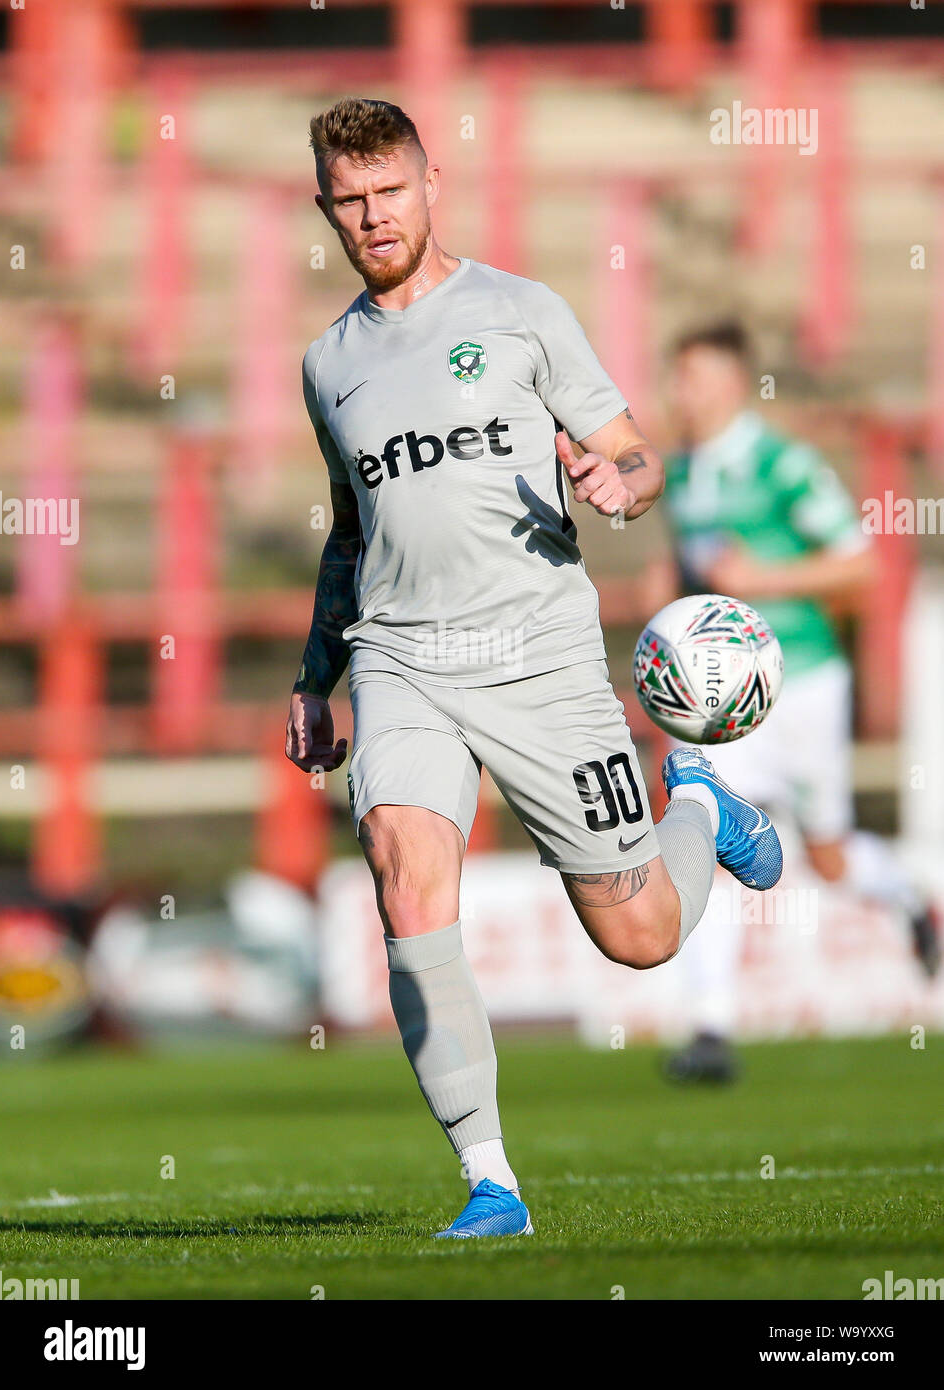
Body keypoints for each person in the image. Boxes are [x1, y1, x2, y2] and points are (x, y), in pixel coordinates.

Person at [285, 100, 782, 1236]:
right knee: (403, 868)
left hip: (541, 660)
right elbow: (346, 533)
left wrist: (621, 487)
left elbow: (633, 454)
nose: (373, 218)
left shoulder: (519, 311)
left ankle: (695, 801)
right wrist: (316, 676)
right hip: (400, 659)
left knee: (640, 935)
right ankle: (489, 1177)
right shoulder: (329, 364)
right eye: (349, 201)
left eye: (390, 192)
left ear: (430, 183)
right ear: (327, 207)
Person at [648, 322, 940, 1084]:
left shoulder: (783, 464)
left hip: (802, 678)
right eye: (681, 376)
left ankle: (911, 896)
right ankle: (710, 1030)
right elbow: (690, 572)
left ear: (738, 382)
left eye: (702, 376)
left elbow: (861, 569)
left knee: (829, 855)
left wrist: (762, 582)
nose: (689, 392)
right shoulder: (679, 475)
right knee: (706, 831)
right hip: (723, 702)